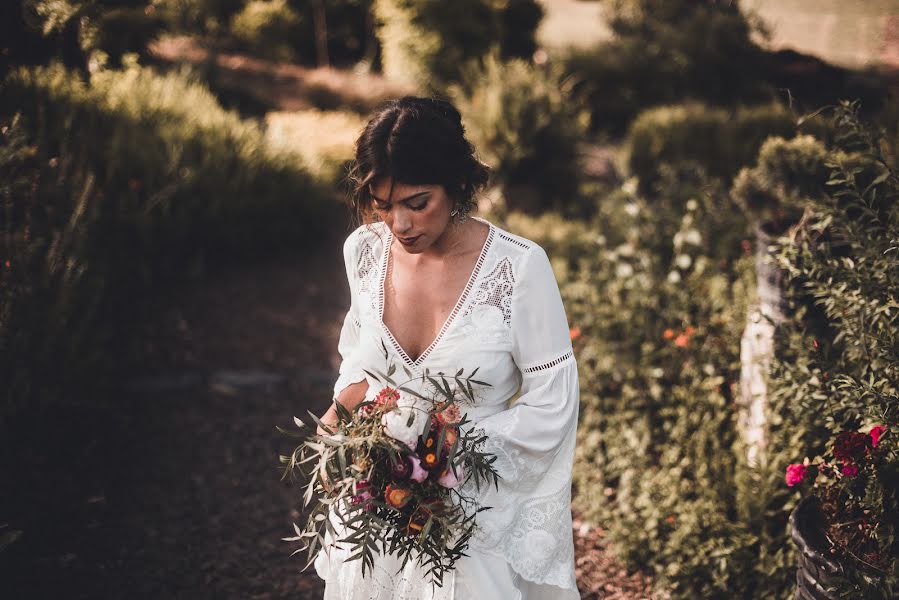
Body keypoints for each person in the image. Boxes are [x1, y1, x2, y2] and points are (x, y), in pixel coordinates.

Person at [313, 96, 580, 600]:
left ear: (457, 184)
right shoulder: (364, 252)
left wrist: (454, 457)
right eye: (383, 204)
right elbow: (359, 360)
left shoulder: (519, 268)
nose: (401, 225)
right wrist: (339, 419)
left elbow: (554, 402)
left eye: (417, 203)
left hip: (468, 515)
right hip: (371, 502)